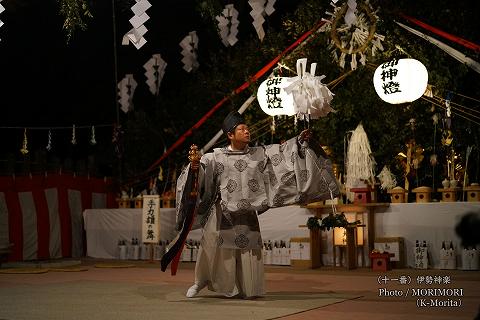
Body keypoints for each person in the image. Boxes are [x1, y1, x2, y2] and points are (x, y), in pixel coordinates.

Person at [174, 111, 339, 299]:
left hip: (247, 212)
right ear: (230, 134)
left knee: (248, 251)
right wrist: (195, 169)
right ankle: (199, 282)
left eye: (247, 128)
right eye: (241, 129)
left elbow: (283, 154)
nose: (247, 132)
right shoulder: (216, 157)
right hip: (222, 212)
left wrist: (299, 142)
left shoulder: (259, 154)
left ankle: (247, 288)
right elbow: (200, 174)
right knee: (212, 250)